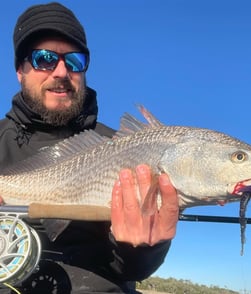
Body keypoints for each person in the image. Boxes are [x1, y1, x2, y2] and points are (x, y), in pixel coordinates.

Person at [0, 2, 179, 294]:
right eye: (44, 58)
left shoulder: (118, 145)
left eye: (74, 61)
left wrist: (144, 249)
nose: (61, 71)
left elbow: (131, 270)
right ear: (20, 70)